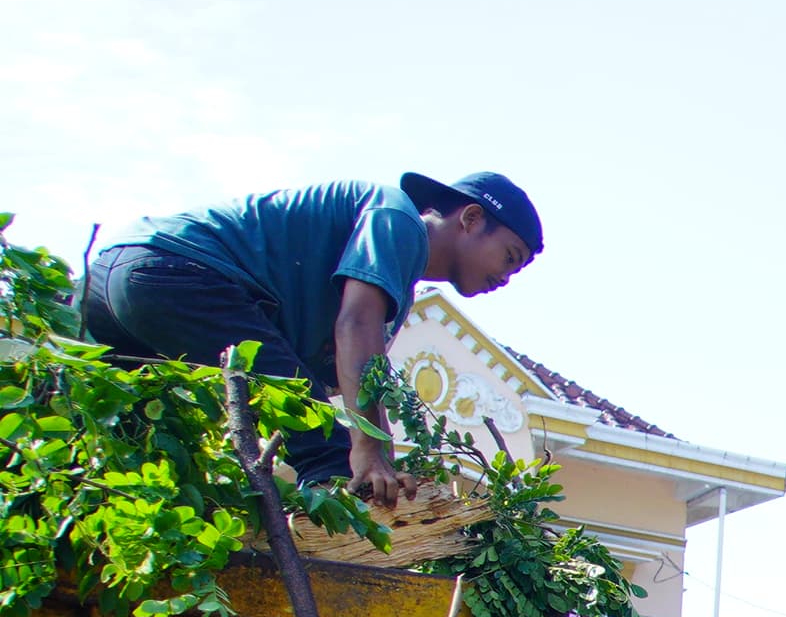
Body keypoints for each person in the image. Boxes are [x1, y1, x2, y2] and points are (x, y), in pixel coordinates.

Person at [82, 173, 541, 506]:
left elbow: (338, 371)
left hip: (111, 283)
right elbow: (355, 327)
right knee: (328, 450)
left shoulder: (394, 287)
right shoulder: (396, 218)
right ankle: (341, 536)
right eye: (509, 257)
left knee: (146, 440)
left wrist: (383, 455)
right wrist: (368, 452)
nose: (505, 277)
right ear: (471, 218)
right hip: (171, 270)